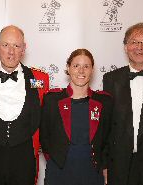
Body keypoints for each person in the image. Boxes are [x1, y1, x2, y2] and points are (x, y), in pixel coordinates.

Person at [0, 25, 49, 185]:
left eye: (16, 45)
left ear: (24, 49)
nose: (11, 51)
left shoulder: (40, 78)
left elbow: (46, 116)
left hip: (26, 155)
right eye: (6, 45)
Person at [103, 22, 143, 185]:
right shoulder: (111, 79)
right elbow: (106, 126)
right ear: (126, 47)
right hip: (120, 164)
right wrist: (104, 164)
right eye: (134, 42)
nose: (139, 47)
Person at [40, 49, 112, 185]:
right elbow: (45, 137)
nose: (81, 71)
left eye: (86, 66)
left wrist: (105, 167)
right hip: (58, 171)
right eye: (76, 66)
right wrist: (56, 159)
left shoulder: (104, 101)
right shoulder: (51, 100)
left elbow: (108, 139)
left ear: (92, 70)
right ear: (68, 68)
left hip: (92, 172)